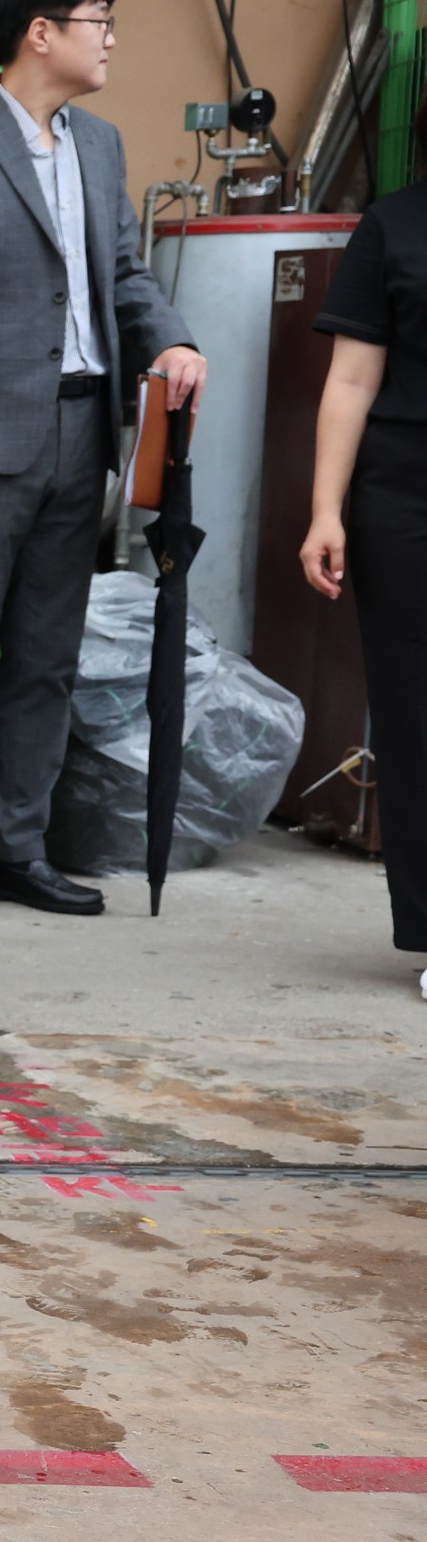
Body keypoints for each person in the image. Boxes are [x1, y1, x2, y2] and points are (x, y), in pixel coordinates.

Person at [0, 0, 203, 926]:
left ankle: (14, 850)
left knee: (44, 658)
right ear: (42, 33)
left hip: (83, 434)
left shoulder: (99, 145)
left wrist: (172, 338)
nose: (109, 38)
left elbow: (122, 271)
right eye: (98, 19)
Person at [299, 175, 427, 998]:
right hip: (406, 498)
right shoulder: (395, 225)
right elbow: (350, 379)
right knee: (416, 719)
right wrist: (325, 511)